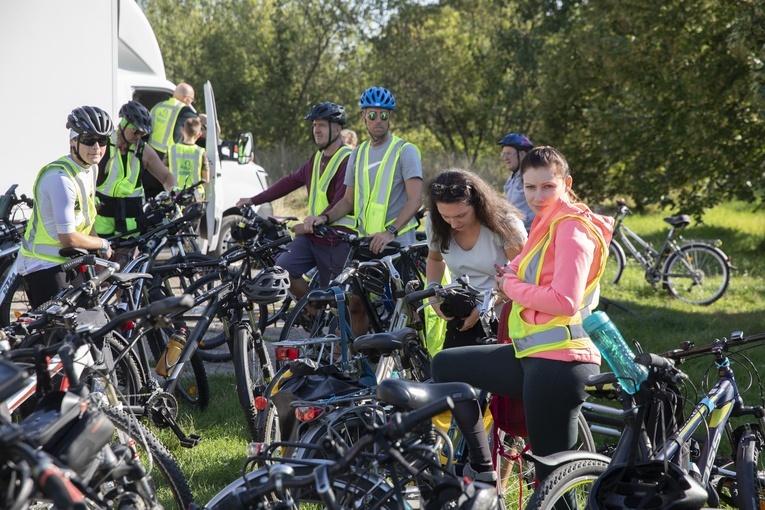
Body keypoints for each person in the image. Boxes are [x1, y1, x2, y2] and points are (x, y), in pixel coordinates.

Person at [430, 146, 614, 488]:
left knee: (552, 482)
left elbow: (566, 300)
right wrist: (507, 281)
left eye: (547, 186)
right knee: (445, 365)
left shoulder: (572, 228)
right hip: (531, 356)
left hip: (561, 364)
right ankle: (482, 467)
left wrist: (511, 287)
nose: (537, 196)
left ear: (566, 183)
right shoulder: (546, 224)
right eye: (530, 187)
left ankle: (489, 471)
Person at [314, 86, 423, 336]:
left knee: (405, 307)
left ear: (390, 118)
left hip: (396, 244)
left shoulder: (405, 151)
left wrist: (390, 232)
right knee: (356, 304)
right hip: (366, 243)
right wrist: (326, 217)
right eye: (372, 115)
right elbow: (348, 201)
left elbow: (415, 199)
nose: (378, 120)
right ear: (363, 117)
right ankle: (358, 363)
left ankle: (414, 360)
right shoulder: (359, 152)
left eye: (384, 115)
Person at [236, 102, 355, 308]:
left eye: (322, 125)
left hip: (336, 239)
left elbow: (342, 200)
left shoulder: (347, 159)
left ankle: (335, 330)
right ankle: (313, 311)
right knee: (282, 270)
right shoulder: (316, 158)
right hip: (313, 236)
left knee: (340, 299)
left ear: (337, 129)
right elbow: (290, 181)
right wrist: (254, 199)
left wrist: (313, 223)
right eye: (314, 125)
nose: (316, 130)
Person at [17, 106, 115, 309]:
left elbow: (87, 218)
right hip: (44, 265)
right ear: (73, 141)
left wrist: (97, 249)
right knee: (57, 336)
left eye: (102, 140)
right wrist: (102, 244)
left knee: (90, 323)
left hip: (69, 259)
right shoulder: (60, 178)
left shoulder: (90, 169)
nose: (97, 147)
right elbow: (68, 237)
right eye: (89, 140)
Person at [425, 169, 526, 350]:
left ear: (478, 204)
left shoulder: (505, 223)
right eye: (445, 216)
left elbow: (526, 275)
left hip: (506, 314)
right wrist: (433, 291)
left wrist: (482, 310)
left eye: (461, 215)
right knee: (450, 371)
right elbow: (434, 259)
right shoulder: (435, 222)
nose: (453, 224)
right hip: (462, 311)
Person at [95, 100, 176, 237]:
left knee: (126, 258)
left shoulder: (143, 150)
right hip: (102, 219)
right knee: (98, 257)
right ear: (123, 124)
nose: (138, 137)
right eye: (136, 132)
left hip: (130, 221)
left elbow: (166, 176)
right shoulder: (103, 144)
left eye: (142, 134)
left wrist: (175, 191)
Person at [145, 83, 198, 198]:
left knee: (149, 198)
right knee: (168, 199)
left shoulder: (158, 106)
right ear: (186, 97)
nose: (191, 102)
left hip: (149, 157)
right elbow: (196, 126)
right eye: (191, 99)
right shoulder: (185, 110)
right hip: (168, 161)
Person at [164, 117, 210, 200]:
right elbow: (206, 180)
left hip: (174, 196)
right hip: (195, 198)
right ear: (199, 134)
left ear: (182, 131)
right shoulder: (201, 152)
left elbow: (163, 174)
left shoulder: (171, 150)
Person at [498, 133, 535, 232]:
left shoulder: (532, 176)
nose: (505, 158)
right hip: (515, 232)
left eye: (509, 154)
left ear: (522, 154)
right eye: (504, 154)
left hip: (531, 232)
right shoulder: (512, 177)